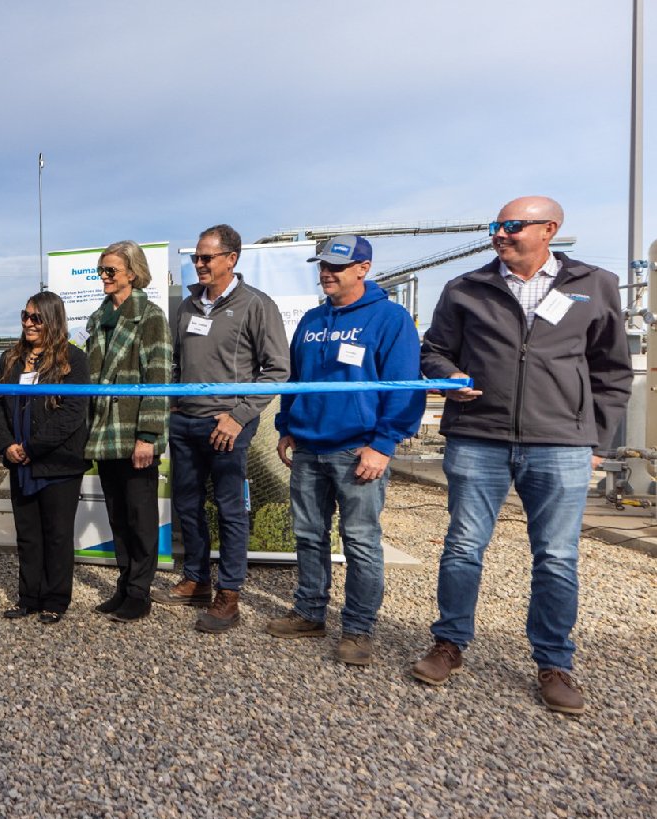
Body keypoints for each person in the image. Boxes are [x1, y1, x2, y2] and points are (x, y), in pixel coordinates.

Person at [415, 196, 631, 715]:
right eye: (496, 226)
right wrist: (447, 377)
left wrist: (595, 440)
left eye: (512, 226)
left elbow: (611, 371)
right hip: (478, 436)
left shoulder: (594, 285)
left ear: (549, 229)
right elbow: (433, 351)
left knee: (556, 557)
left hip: (560, 443)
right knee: (464, 546)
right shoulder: (466, 288)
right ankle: (449, 643)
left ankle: (554, 662)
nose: (500, 234)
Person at [269, 236, 425, 666]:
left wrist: (383, 444)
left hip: (358, 450)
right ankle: (309, 612)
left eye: (337, 266)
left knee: (359, 540)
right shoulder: (312, 320)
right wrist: (287, 426)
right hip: (308, 448)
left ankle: (358, 628)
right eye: (322, 265)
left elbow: (404, 387)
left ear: (364, 268)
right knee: (307, 535)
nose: (327, 273)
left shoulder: (390, 319)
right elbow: (296, 380)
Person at [163, 223, 290, 633]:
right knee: (187, 504)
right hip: (185, 423)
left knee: (232, 509)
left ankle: (229, 593)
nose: (198, 264)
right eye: (195, 258)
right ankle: (197, 579)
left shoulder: (256, 305)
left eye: (206, 257)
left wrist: (238, 417)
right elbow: (177, 364)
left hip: (227, 426)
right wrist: (174, 407)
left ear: (231, 259)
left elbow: (276, 371)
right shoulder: (185, 307)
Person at [84, 240, 171, 623]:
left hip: (134, 432)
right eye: (101, 271)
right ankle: (124, 584)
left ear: (132, 274)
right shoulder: (98, 318)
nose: (104, 277)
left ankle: (140, 591)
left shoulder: (150, 317)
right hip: (104, 432)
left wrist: (148, 437)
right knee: (118, 516)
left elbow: (158, 380)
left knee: (140, 516)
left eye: (111, 271)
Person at [0, 291, 90, 624]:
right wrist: (7, 446)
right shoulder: (10, 358)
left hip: (57, 464)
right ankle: (28, 598)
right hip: (20, 464)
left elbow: (72, 414)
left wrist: (31, 448)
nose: (28, 323)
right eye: (25, 315)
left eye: (36, 317)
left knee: (58, 535)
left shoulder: (74, 359)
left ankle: (55, 600)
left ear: (52, 319)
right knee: (28, 534)